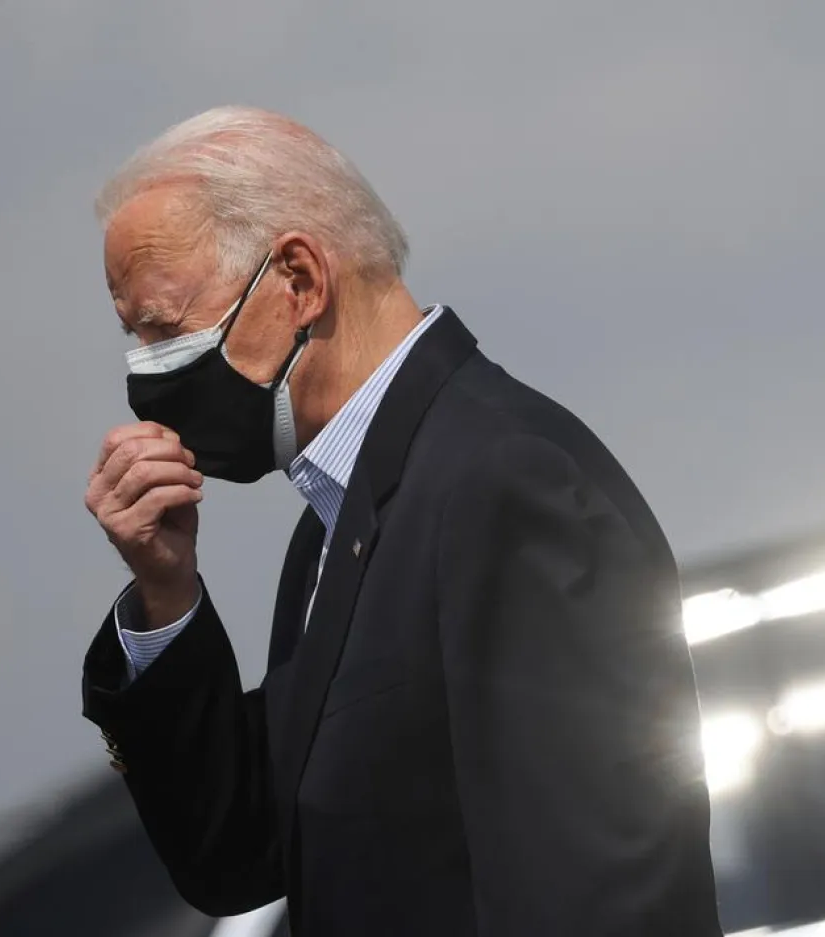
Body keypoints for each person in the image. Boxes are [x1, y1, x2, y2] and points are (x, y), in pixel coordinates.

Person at [80, 106, 721, 937]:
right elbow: (239, 851)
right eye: (134, 338)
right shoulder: (337, 523)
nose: (148, 372)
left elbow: (594, 895)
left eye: (165, 329)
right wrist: (166, 595)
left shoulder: (498, 483)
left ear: (301, 281)